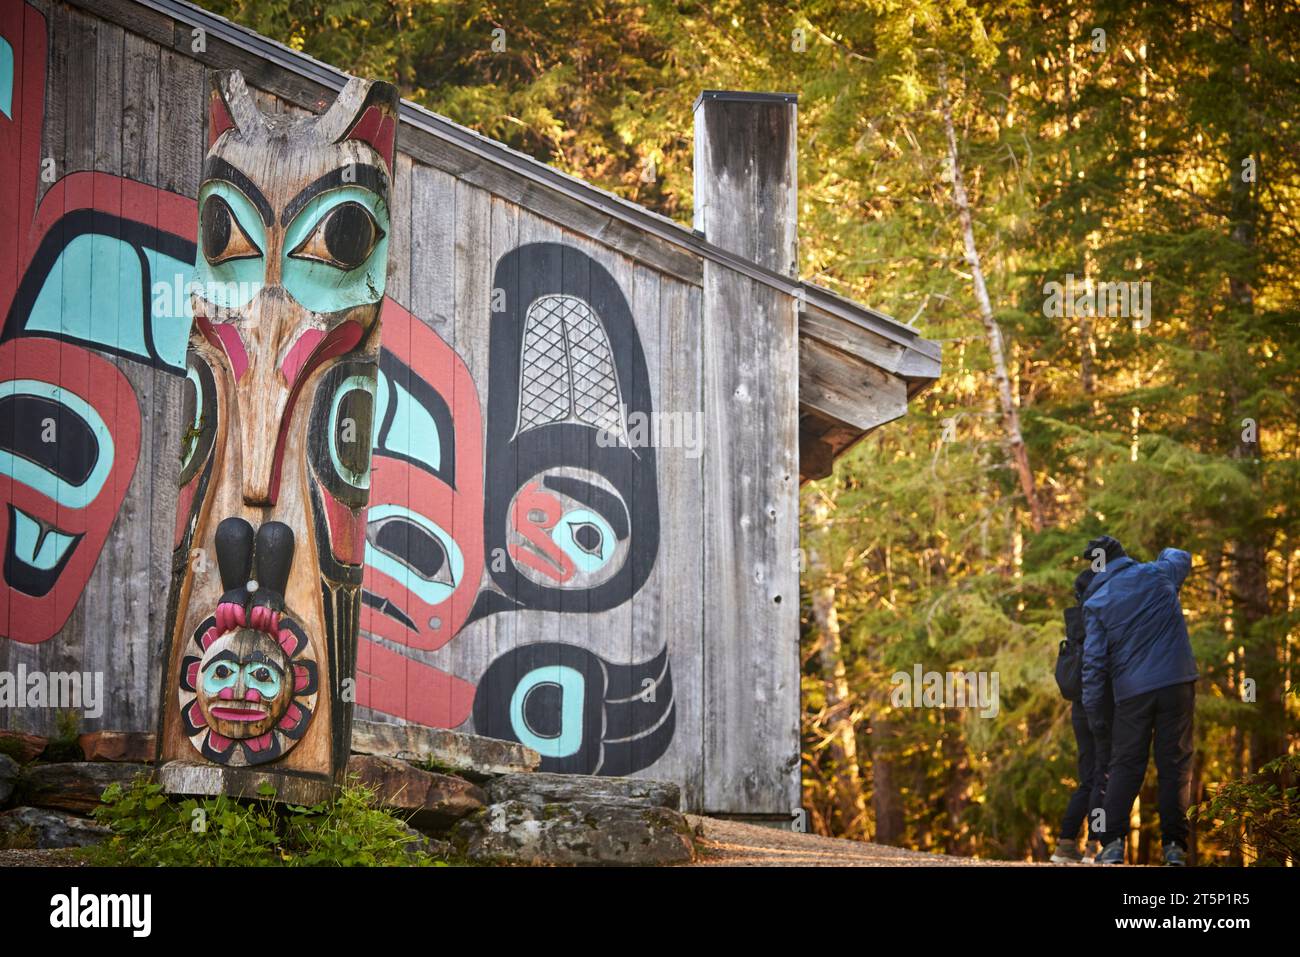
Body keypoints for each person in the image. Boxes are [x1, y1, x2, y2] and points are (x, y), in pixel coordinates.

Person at [1079, 535, 1198, 866]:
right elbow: (1180, 554)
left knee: (1126, 763)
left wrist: (1096, 716)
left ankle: (1113, 843)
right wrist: (1156, 558)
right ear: (1123, 555)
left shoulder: (1097, 602)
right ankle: (1174, 847)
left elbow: (1094, 666)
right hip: (1177, 681)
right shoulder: (1159, 573)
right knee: (1174, 764)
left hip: (1133, 692)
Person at [1051, 567, 1113, 863]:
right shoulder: (1099, 621)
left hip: (1079, 707)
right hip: (1098, 705)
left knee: (1088, 777)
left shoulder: (1075, 623)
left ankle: (1065, 844)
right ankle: (1095, 845)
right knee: (1103, 774)